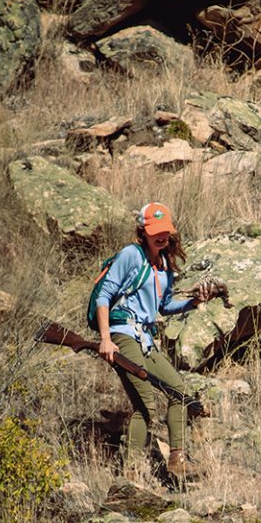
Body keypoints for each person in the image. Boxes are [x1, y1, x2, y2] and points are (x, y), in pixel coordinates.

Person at [95, 202, 210, 479]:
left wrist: (193, 303)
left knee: (179, 391)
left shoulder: (165, 265)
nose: (161, 236)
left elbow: (164, 307)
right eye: (155, 231)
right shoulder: (131, 255)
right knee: (145, 404)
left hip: (146, 339)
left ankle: (177, 459)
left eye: (165, 231)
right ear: (142, 231)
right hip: (122, 333)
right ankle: (131, 472)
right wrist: (105, 339)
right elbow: (104, 296)